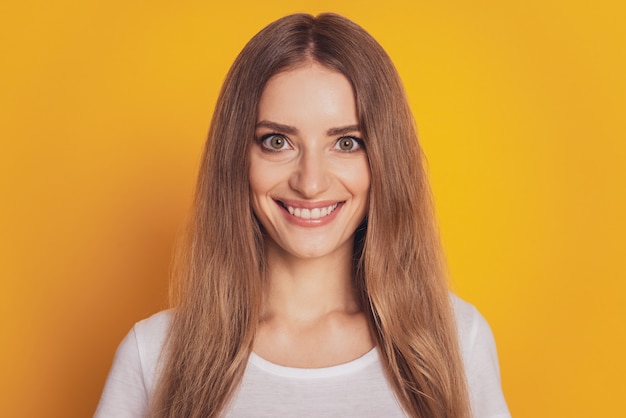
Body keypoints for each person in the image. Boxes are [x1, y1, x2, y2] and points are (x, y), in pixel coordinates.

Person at [95, 13, 510, 418]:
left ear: (385, 159)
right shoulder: (153, 354)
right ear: (236, 158)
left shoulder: (457, 341)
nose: (310, 183)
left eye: (346, 143)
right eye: (277, 141)